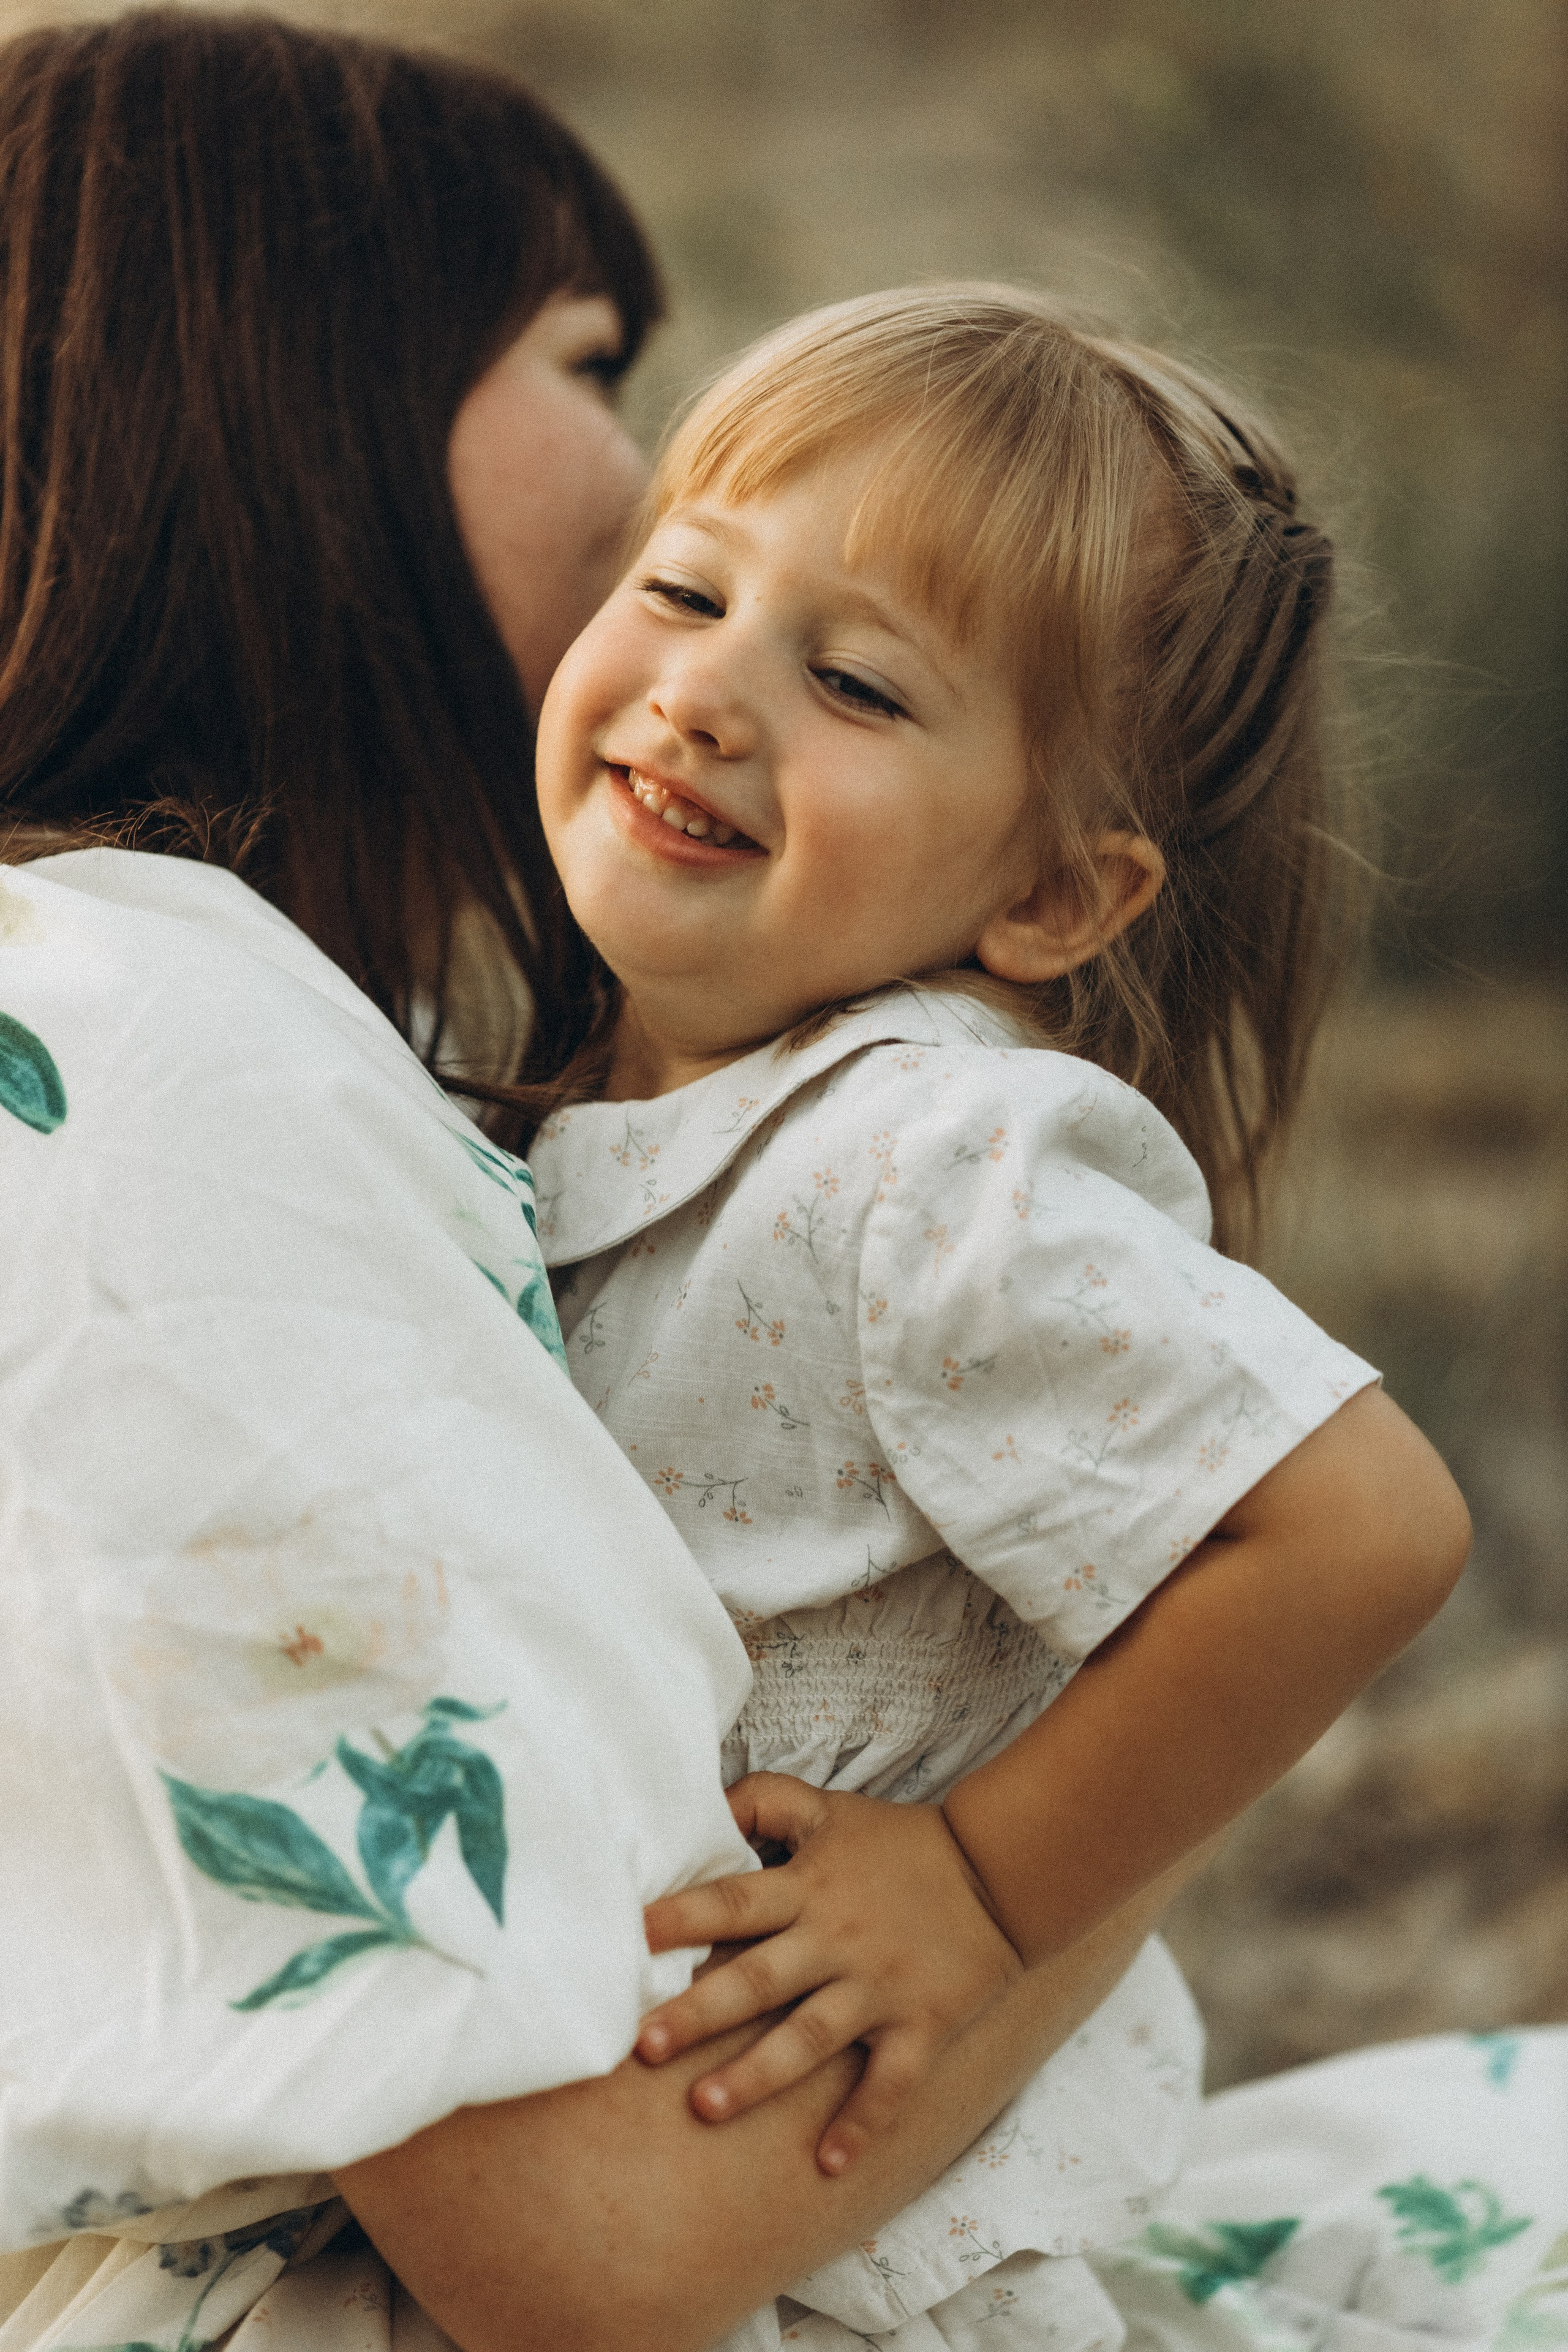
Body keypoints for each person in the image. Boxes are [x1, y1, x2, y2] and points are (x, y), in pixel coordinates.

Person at [0, 23, 1238, 2351]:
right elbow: (583, 2251)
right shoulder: (160, 1079)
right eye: (591, 361)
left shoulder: (128, 1012)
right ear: (301, 394)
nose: (650, 463)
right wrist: (1069, 1821)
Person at [513, 286, 1568, 2351]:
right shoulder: (584, 1081)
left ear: (1056, 904)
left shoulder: (927, 1154)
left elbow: (1364, 1525)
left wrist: (982, 1889)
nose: (710, 694)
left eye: (856, 686)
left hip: (860, 2253)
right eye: (684, 586)